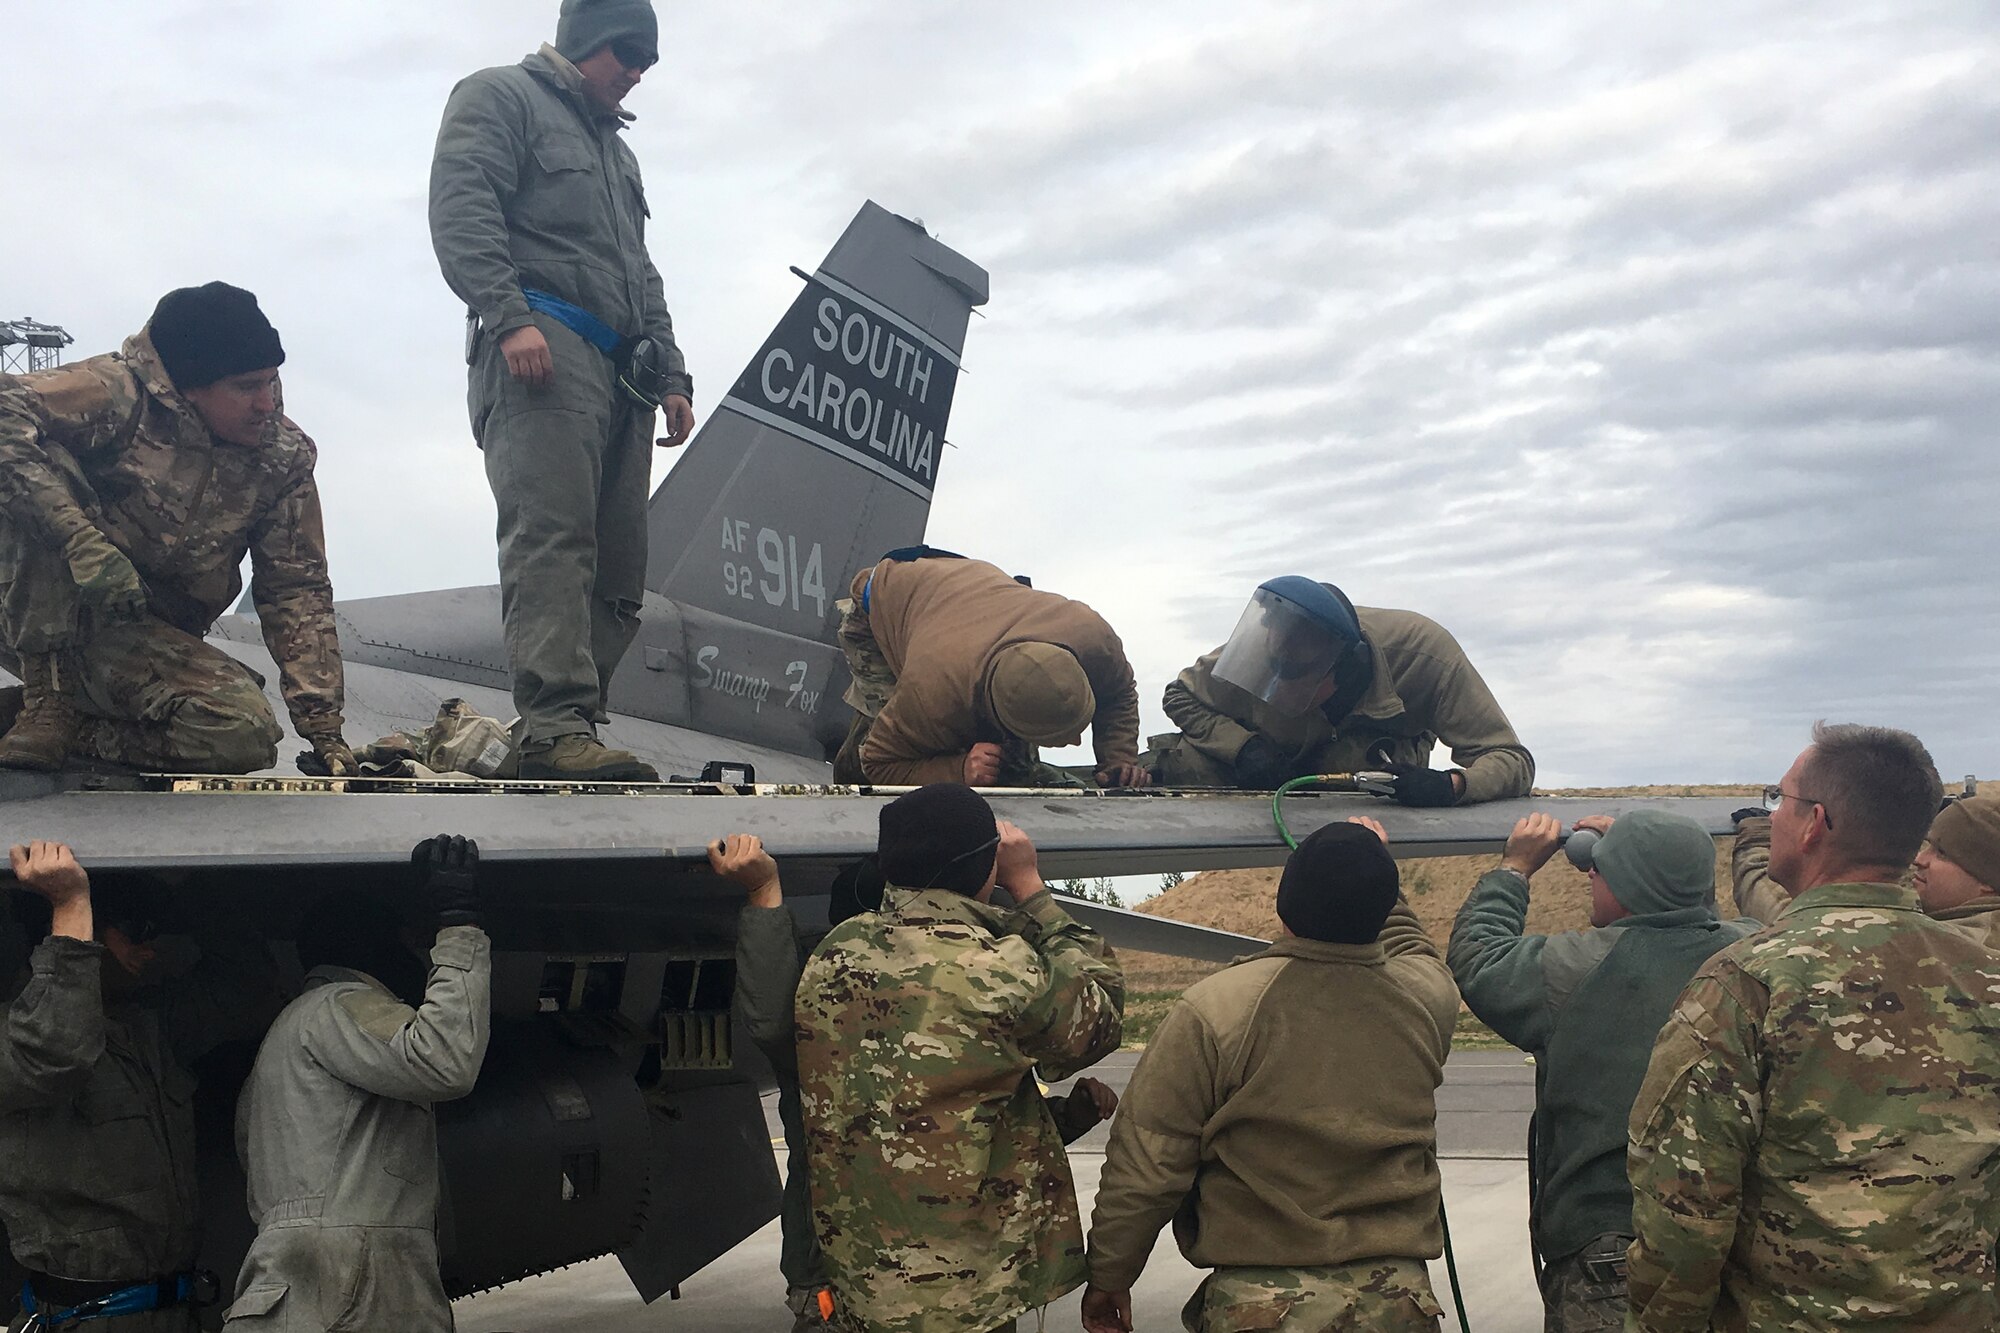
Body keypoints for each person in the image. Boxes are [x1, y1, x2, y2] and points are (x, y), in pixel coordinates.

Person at [1627, 723, 2000, 1331]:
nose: (1772, 815)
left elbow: (1685, 1210)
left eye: (1780, 800)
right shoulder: (1987, 978)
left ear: (1814, 823)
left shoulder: (1747, 983)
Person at [429, 0, 696, 783]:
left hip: (623, 371)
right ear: (586, 42)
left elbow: (639, 271)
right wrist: (508, 318)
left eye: (646, 60)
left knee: (619, 561)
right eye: (626, 54)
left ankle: (579, 717)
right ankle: (550, 720)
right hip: (543, 349)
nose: (637, 73)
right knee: (553, 539)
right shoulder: (499, 98)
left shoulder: (619, 154)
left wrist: (673, 370)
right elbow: (462, 209)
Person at [719, 837, 1117, 1333]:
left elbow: (769, 1018)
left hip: (849, 1280)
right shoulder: (978, 992)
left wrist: (764, 895)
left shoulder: (816, 1008)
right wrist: (1030, 889)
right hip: (962, 1289)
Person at [1081, 817, 1456, 1333]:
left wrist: (1110, 1275)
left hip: (1262, 1309)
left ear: (1284, 906)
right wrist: (1371, 865)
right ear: (1381, 907)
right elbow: (1414, 949)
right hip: (1400, 1305)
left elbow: (1148, 1165)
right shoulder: (1427, 998)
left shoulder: (1219, 1008)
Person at [0, 283, 352, 775]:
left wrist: (325, 728)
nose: (267, 403)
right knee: (36, 463)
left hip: (130, 632)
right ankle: (45, 700)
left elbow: (297, 588)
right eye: (247, 386)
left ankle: (55, 721)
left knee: (241, 735)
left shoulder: (281, 457)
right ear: (188, 388)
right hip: (22, 609)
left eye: (272, 382)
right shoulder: (115, 395)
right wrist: (79, 540)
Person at [1447, 811, 1756, 1331]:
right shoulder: (1751, 953)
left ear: (1631, 884)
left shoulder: (1576, 970)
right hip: (1733, 1238)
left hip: (1612, 1246)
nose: (1590, 874)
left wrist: (1514, 869)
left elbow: (1478, 956)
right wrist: (1656, 858)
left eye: (1603, 868)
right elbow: (1699, 915)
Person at [1, 840, 283, 1331]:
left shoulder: (146, 1027)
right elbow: (55, 1052)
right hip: (83, 1315)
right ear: (82, 936)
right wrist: (71, 905)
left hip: (174, 1309)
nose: (148, 949)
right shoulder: (16, 1038)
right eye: (133, 933)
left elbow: (247, 990)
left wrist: (193, 883)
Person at [224, 836, 492, 1331]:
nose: (416, 958)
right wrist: (458, 925)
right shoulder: (341, 1004)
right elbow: (446, 1060)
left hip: (298, 1283)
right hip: (353, 1281)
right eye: (408, 945)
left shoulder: (283, 1039)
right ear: (373, 949)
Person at [1149, 577, 1532, 804]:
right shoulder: (1265, 648)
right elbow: (1179, 695)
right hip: (1264, 773)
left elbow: (1513, 760)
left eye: (1295, 684)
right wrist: (1243, 747)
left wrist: (1452, 786)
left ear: (1343, 673)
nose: (1276, 691)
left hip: (1364, 781)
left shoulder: (1427, 657)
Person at [831, 551, 1149, 788]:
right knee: (866, 766)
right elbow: (878, 762)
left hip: (964, 597)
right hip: (881, 599)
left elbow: (1119, 694)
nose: (1075, 743)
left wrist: (1118, 759)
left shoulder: (1094, 638)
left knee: (1011, 768)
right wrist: (959, 770)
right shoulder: (932, 694)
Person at [1733, 792, 2000, 949]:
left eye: (1941, 853)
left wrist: (1758, 841)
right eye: (1927, 846)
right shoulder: (1962, 926)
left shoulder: (1962, 946)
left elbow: (1810, 931)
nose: (1920, 859)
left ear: (1987, 879)